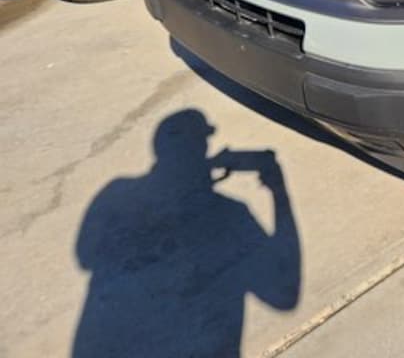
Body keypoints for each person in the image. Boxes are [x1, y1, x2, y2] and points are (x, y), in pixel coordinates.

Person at [73, 109, 300, 358]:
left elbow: (85, 255)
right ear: (200, 148)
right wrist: (278, 190)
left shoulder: (116, 194)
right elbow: (284, 295)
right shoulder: (229, 214)